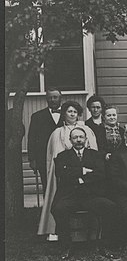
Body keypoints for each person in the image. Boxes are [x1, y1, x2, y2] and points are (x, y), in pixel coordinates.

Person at [50, 127, 119, 259]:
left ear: (86, 139)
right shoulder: (62, 156)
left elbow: (100, 174)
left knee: (111, 207)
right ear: (70, 140)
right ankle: (66, 246)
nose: (78, 140)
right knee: (58, 209)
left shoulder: (96, 155)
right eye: (75, 137)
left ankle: (104, 244)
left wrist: (80, 179)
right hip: (71, 196)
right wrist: (82, 170)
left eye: (81, 137)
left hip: (91, 195)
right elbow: (62, 174)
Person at [38, 100, 98, 239]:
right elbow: (56, 158)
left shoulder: (87, 130)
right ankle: (57, 232)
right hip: (66, 179)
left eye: (75, 112)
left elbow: (92, 154)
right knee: (60, 203)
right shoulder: (57, 133)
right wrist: (77, 170)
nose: (72, 114)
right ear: (64, 114)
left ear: (78, 114)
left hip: (87, 180)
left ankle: (90, 232)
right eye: (69, 111)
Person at [27, 87, 63, 192]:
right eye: (50, 97)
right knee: (47, 185)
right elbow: (32, 139)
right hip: (43, 158)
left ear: (61, 98)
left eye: (55, 97)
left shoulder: (68, 115)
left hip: (65, 156)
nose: (52, 100)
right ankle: (48, 208)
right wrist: (32, 159)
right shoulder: (37, 116)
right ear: (46, 99)